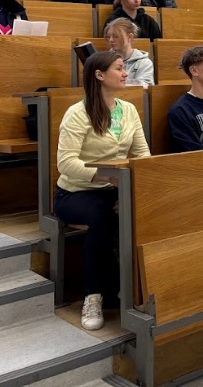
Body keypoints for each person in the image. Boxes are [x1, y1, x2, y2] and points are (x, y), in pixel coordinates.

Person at [54, 51, 150, 330]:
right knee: (103, 216)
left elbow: (142, 153)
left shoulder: (128, 109)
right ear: (99, 75)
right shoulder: (77, 113)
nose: (125, 73)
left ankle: (136, 288)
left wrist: (142, 176)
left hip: (116, 187)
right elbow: (66, 163)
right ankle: (93, 295)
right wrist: (106, 176)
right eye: (119, 68)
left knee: (148, 209)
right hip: (76, 192)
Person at [103, 18, 154, 86]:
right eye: (108, 37)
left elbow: (145, 86)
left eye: (116, 36)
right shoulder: (105, 61)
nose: (111, 40)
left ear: (129, 37)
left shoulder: (143, 62)